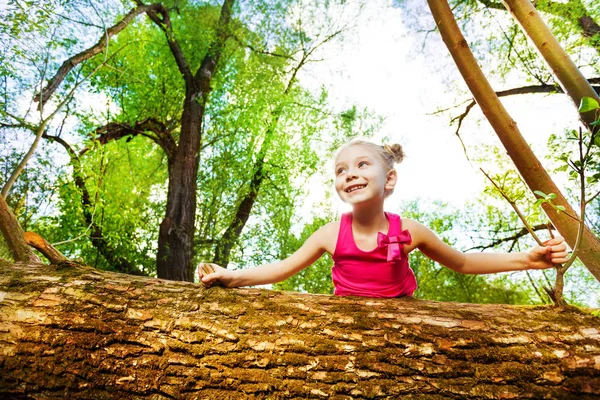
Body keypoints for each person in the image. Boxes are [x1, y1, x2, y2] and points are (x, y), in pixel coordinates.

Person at [198, 139, 568, 298]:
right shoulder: (329, 234)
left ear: (389, 178)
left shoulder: (410, 231)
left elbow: (465, 262)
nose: (350, 174)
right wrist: (231, 276)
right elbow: (282, 269)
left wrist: (528, 260)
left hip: (404, 313)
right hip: (350, 315)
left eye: (362, 165)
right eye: (341, 170)